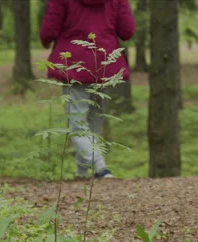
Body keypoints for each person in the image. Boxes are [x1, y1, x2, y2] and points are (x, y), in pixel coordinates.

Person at [40, 0, 135, 179]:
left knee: (77, 124)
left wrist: (46, 40)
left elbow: (50, 27)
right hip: (105, 61)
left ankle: (101, 169)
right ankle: (82, 173)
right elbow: (127, 31)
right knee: (93, 123)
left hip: (73, 63)